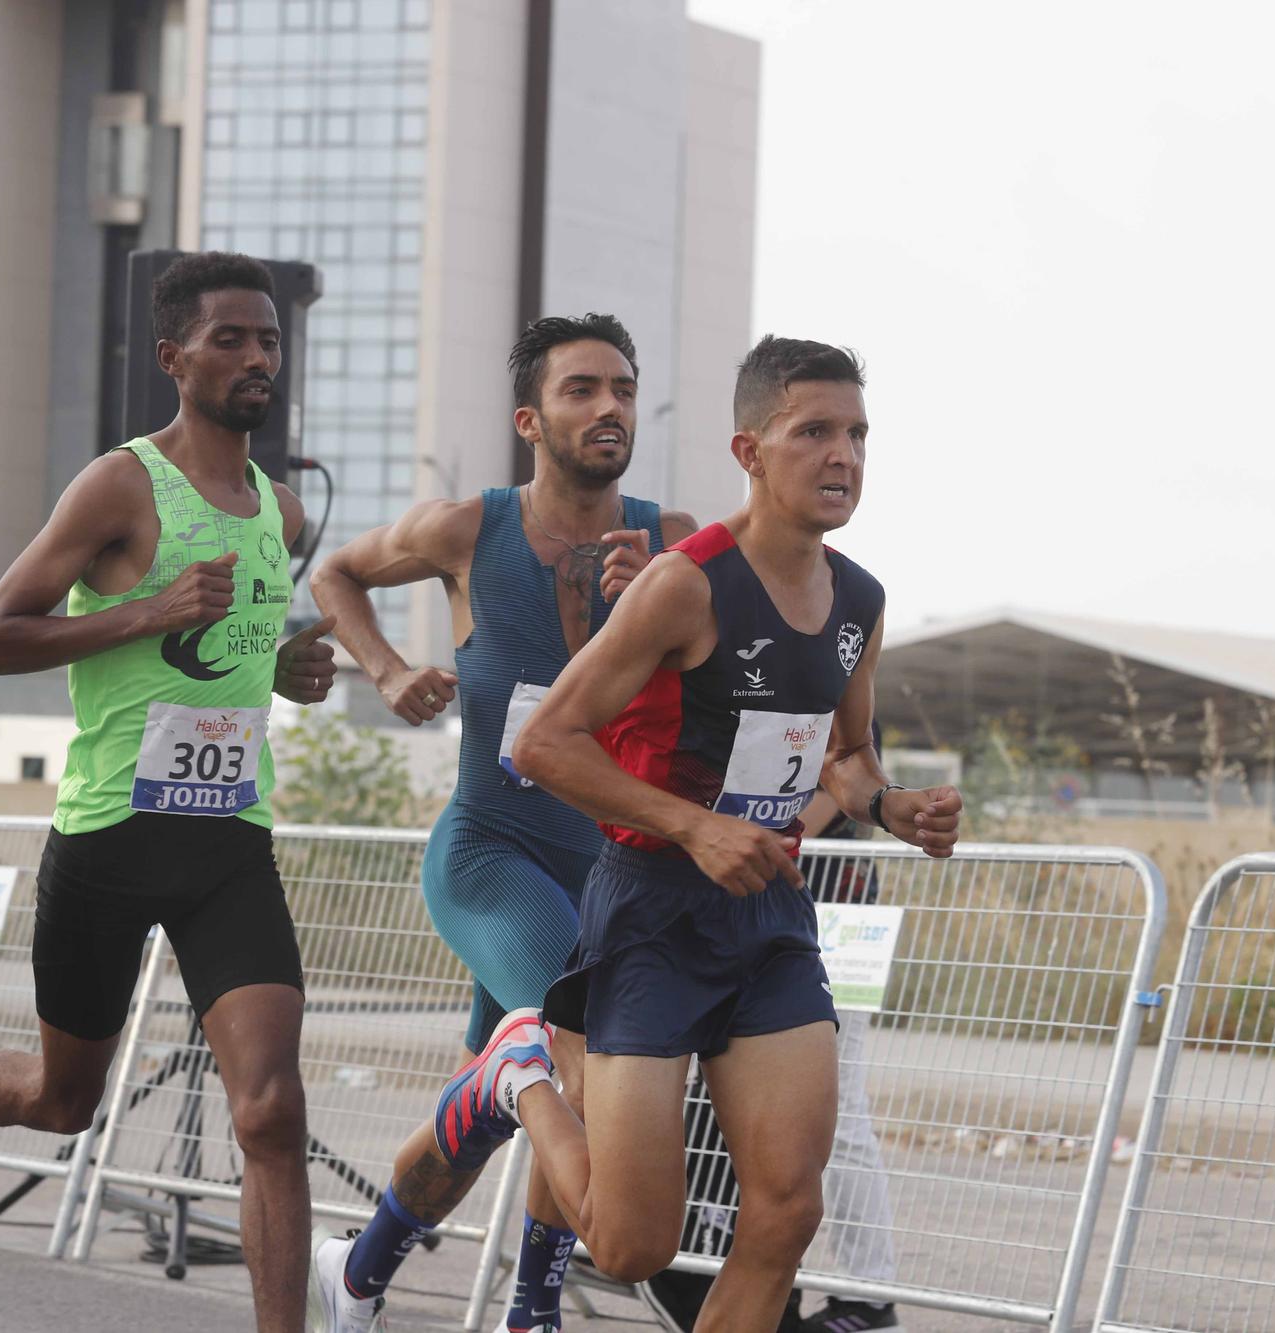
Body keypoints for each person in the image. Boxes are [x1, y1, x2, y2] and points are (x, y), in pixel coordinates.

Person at [0, 252, 339, 1333]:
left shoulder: (281, 511)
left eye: (267, 339)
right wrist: (142, 612)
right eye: (230, 339)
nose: (257, 356)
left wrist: (293, 671)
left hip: (226, 846)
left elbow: (237, 658)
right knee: (64, 1103)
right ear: (173, 358)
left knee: (271, 1105)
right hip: (108, 839)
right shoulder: (120, 483)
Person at [432, 335, 963, 1333]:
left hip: (766, 920)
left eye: (855, 434)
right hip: (650, 914)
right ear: (749, 451)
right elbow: (546, 743)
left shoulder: (858, 599)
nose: (841, 455)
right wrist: (695, 827)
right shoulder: (684, 583)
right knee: (632, 1242)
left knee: (785, 1209)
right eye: (812, 432)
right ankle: (521, 1080)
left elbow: (846, 757)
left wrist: (894, 807)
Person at [306, 313, 695, 1333]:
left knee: (489, 1114)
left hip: (603, 873)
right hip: (487, 856)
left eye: (622, 386)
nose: (607, 406)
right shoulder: (463, 530)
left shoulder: (672, 542)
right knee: (577, 1066)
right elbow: (332, 573)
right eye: (580, 389)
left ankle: (359, 1266)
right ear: (530, 418)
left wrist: (651, 616)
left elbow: (717, 693)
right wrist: (387, 670)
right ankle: (530, 1313)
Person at [639, 725, 904, 1333]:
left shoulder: (833, 658)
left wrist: (744, 840)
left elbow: (844, 783)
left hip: (833, 916)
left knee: (841, 1112)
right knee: (741, 1111)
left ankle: (870, 1296)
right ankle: (750, 1280)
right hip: (750, 912)